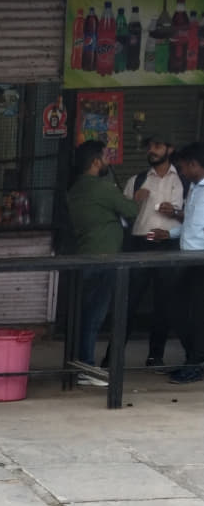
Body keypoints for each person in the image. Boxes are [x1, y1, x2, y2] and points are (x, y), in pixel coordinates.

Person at [102, 136, 187, 369]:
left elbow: (193, 218)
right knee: (127, 303)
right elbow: (122, 215)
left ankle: (155, 357)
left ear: (170, 148)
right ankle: (112, 358)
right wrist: (134, 203)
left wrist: (176, 214)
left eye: (158, 145)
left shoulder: (183, 181)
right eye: (150, 146)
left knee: (164, 303)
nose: (152, 150)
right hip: (140, 242)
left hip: (168, 244)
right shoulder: (136, 180)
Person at [66, 141, 145, 385]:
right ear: (95, 162)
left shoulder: (76, 188)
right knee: (94, 317)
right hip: (104, 258)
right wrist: (139, 197)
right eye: (105, 158)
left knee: (84, 315)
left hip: (85, 257)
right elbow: (130, 210)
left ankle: (80, 365)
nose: (108, 163)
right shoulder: (100, 187)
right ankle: (87, 368)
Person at [161, 145, 204, 384]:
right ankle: (193, 359)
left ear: (195, 164)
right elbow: (191, 226)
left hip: (200, 261)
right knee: (177, 310)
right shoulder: (196, 190)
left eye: (185, 166)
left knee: (196, 315)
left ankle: (195, 364)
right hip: (186, 258)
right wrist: (166, 235)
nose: (182, 171)